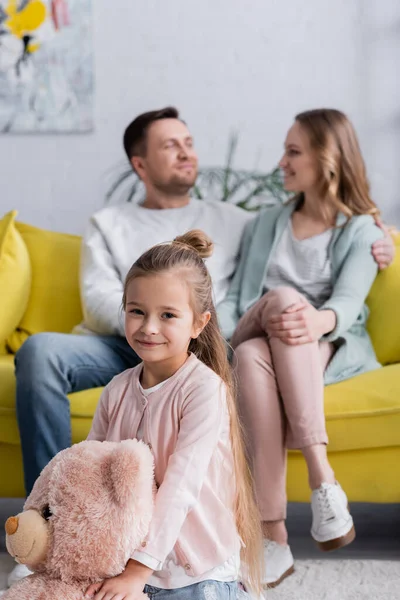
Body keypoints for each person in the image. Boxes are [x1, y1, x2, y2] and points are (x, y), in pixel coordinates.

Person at [8, 105, 393, 588]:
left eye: (189, 142)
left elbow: (299, 251)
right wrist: (149, 324)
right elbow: (99, 300)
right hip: (117, 343)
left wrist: (380, 236)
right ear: (140, 164)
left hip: (203, 341)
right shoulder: (109, 222)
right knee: (41, 351)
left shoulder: (233, 219)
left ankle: (294, 505)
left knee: (256, 337)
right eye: (172, 145)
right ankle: (48, 527)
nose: (188, 152)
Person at [217, 108, 396, 589]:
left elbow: (346, 304)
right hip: (253, 325)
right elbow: (234, 306)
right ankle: (323, 480)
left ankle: (273, 537)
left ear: (328, 160)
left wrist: (315, 319)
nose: (282, 161)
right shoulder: (263, 224)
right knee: (280, 303)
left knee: (256, 359)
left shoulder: (361, 231)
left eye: (293, 152)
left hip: (316, 346)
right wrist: (291, 309)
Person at [84, 230, 262, 600]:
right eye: (137, 311)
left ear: (198, 324)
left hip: (193, 573)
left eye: (167, 315)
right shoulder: (117, 389)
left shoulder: (203, 390)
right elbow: (89, 472)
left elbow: (180, 488)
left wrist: (137, 572)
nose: (148, 327)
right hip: (128, 564)